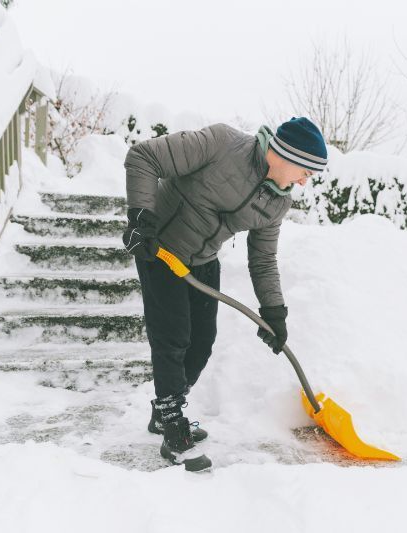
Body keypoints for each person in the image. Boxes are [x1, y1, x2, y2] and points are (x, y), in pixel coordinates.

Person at [122, 116, 328, 467]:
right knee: (172, 337)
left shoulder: (277, 203)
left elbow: (263, 259)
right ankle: (173, 428)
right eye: (306, 169)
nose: (306, 180)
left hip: (202, 260)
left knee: (201, 344)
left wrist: (274, 311)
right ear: (285, 155)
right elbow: (143, 157)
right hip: (162, 248)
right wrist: (141, 218)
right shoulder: (221, 144)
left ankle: (162, 410)